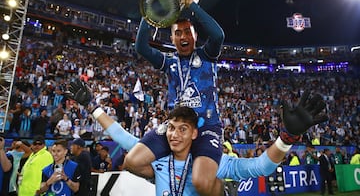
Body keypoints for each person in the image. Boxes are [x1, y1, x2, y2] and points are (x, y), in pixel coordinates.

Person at [67, 78, 328, 195]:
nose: (175, 134)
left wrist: (287, 137)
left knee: (204, 182)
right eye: (171, 127)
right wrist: (92, 105)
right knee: (132, 158)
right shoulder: (159, 157)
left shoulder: (212, 161)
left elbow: (261, 166)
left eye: (183, 129)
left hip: (211, 186)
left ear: (195, 133)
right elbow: (121, 135)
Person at [134, 0, 225, 195]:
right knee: (132, 161)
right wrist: (149, 16)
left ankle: (222, 189)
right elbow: (141, 48)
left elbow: (218, 35)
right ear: (172, 40)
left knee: (202, 183)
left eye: (187, 32)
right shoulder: (168, 62)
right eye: (177, 33)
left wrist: (193, 6)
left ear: (195, 37)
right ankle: (170, 178)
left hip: (206, 126)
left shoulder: (207, 55)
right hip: (175, 127)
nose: (183, 36)